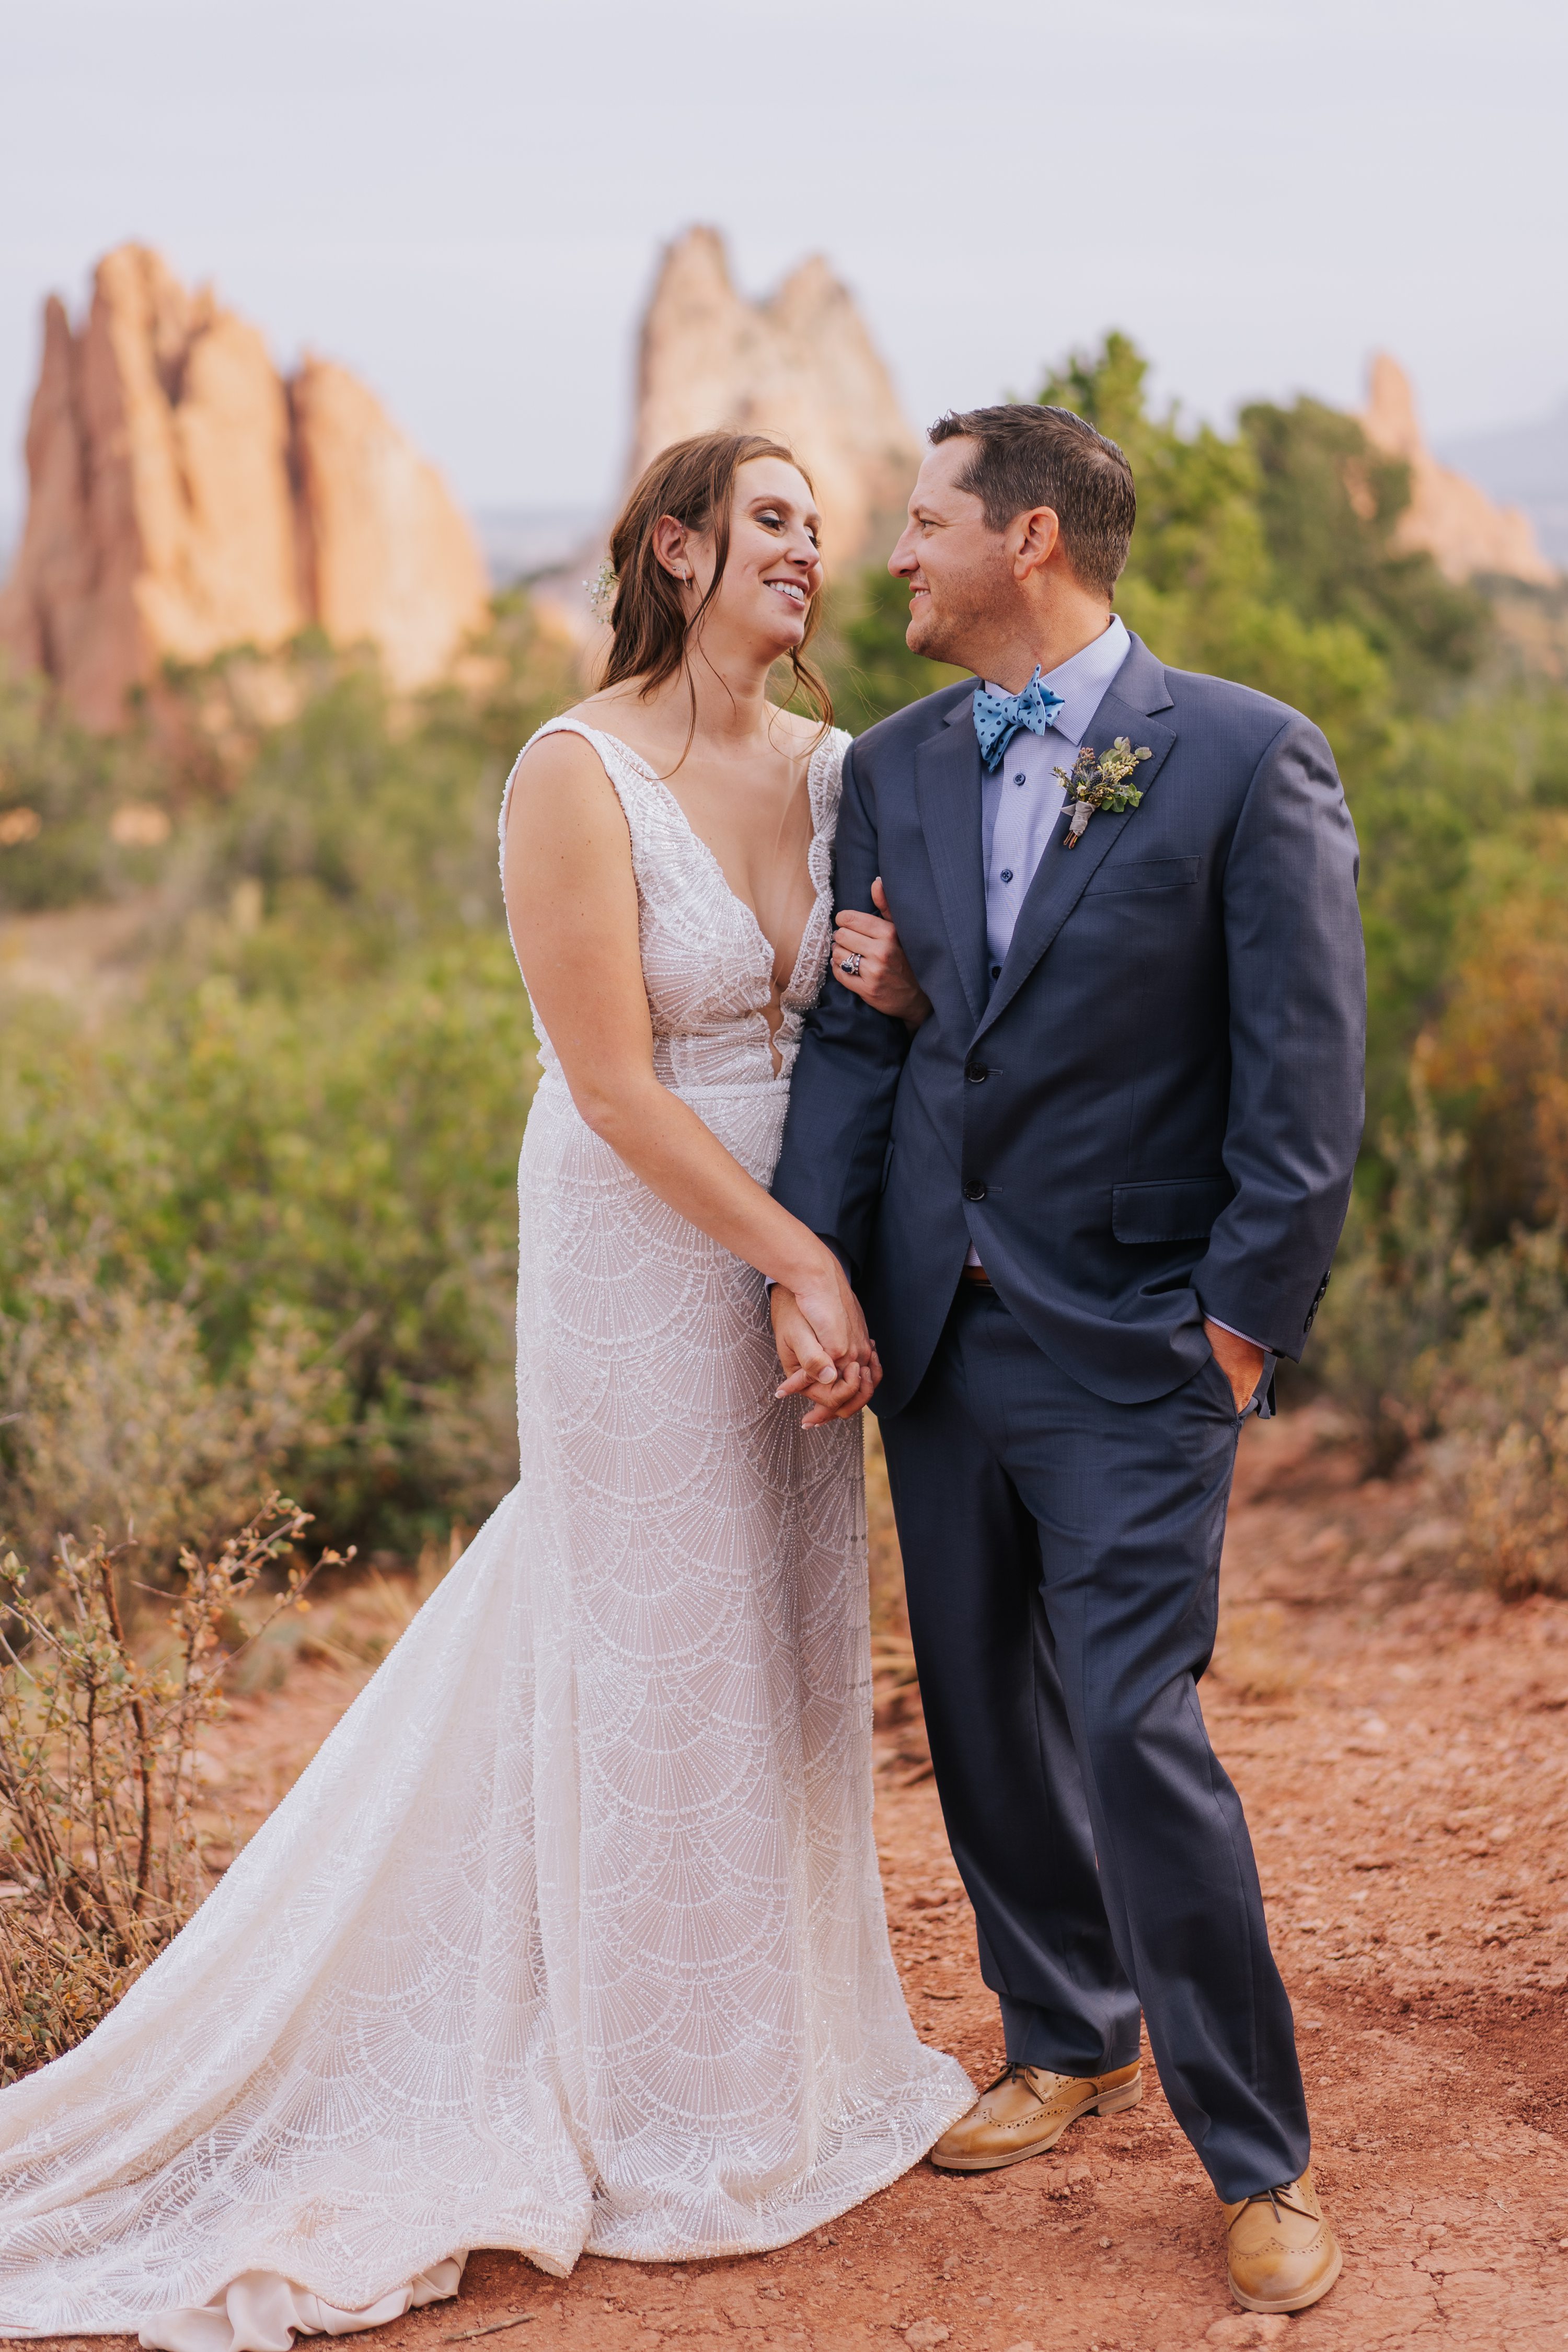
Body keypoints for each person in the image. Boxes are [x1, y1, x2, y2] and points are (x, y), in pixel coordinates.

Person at [0, 431, 971, 2350]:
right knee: (645, 1628)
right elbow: (611, 1084)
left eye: (821, 528)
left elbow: (884, 1012)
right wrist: (797, 1258)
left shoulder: (843, 769)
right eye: (771, 519)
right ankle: (651, 2101)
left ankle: (770, 2064)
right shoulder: (571, 770)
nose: (809, 551)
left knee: (777, 1639)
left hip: (809, 1244)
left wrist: (896, 1016)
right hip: (648, 1243)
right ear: (680, 550)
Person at [769, 402, 1365, 2318]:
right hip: (939, 1325)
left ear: (1029, 540)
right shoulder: (901, 762)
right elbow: (881, 1041)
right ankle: (1066, 2024)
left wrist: (1239, 1322)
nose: (895, 560)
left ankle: (1258, 2155)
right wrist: (817, 1272)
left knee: (1133, 1720)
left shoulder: (1245, 759)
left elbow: (1303, 1077)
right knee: (975, 1706)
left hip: (1137, 1341)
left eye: (924, 524)